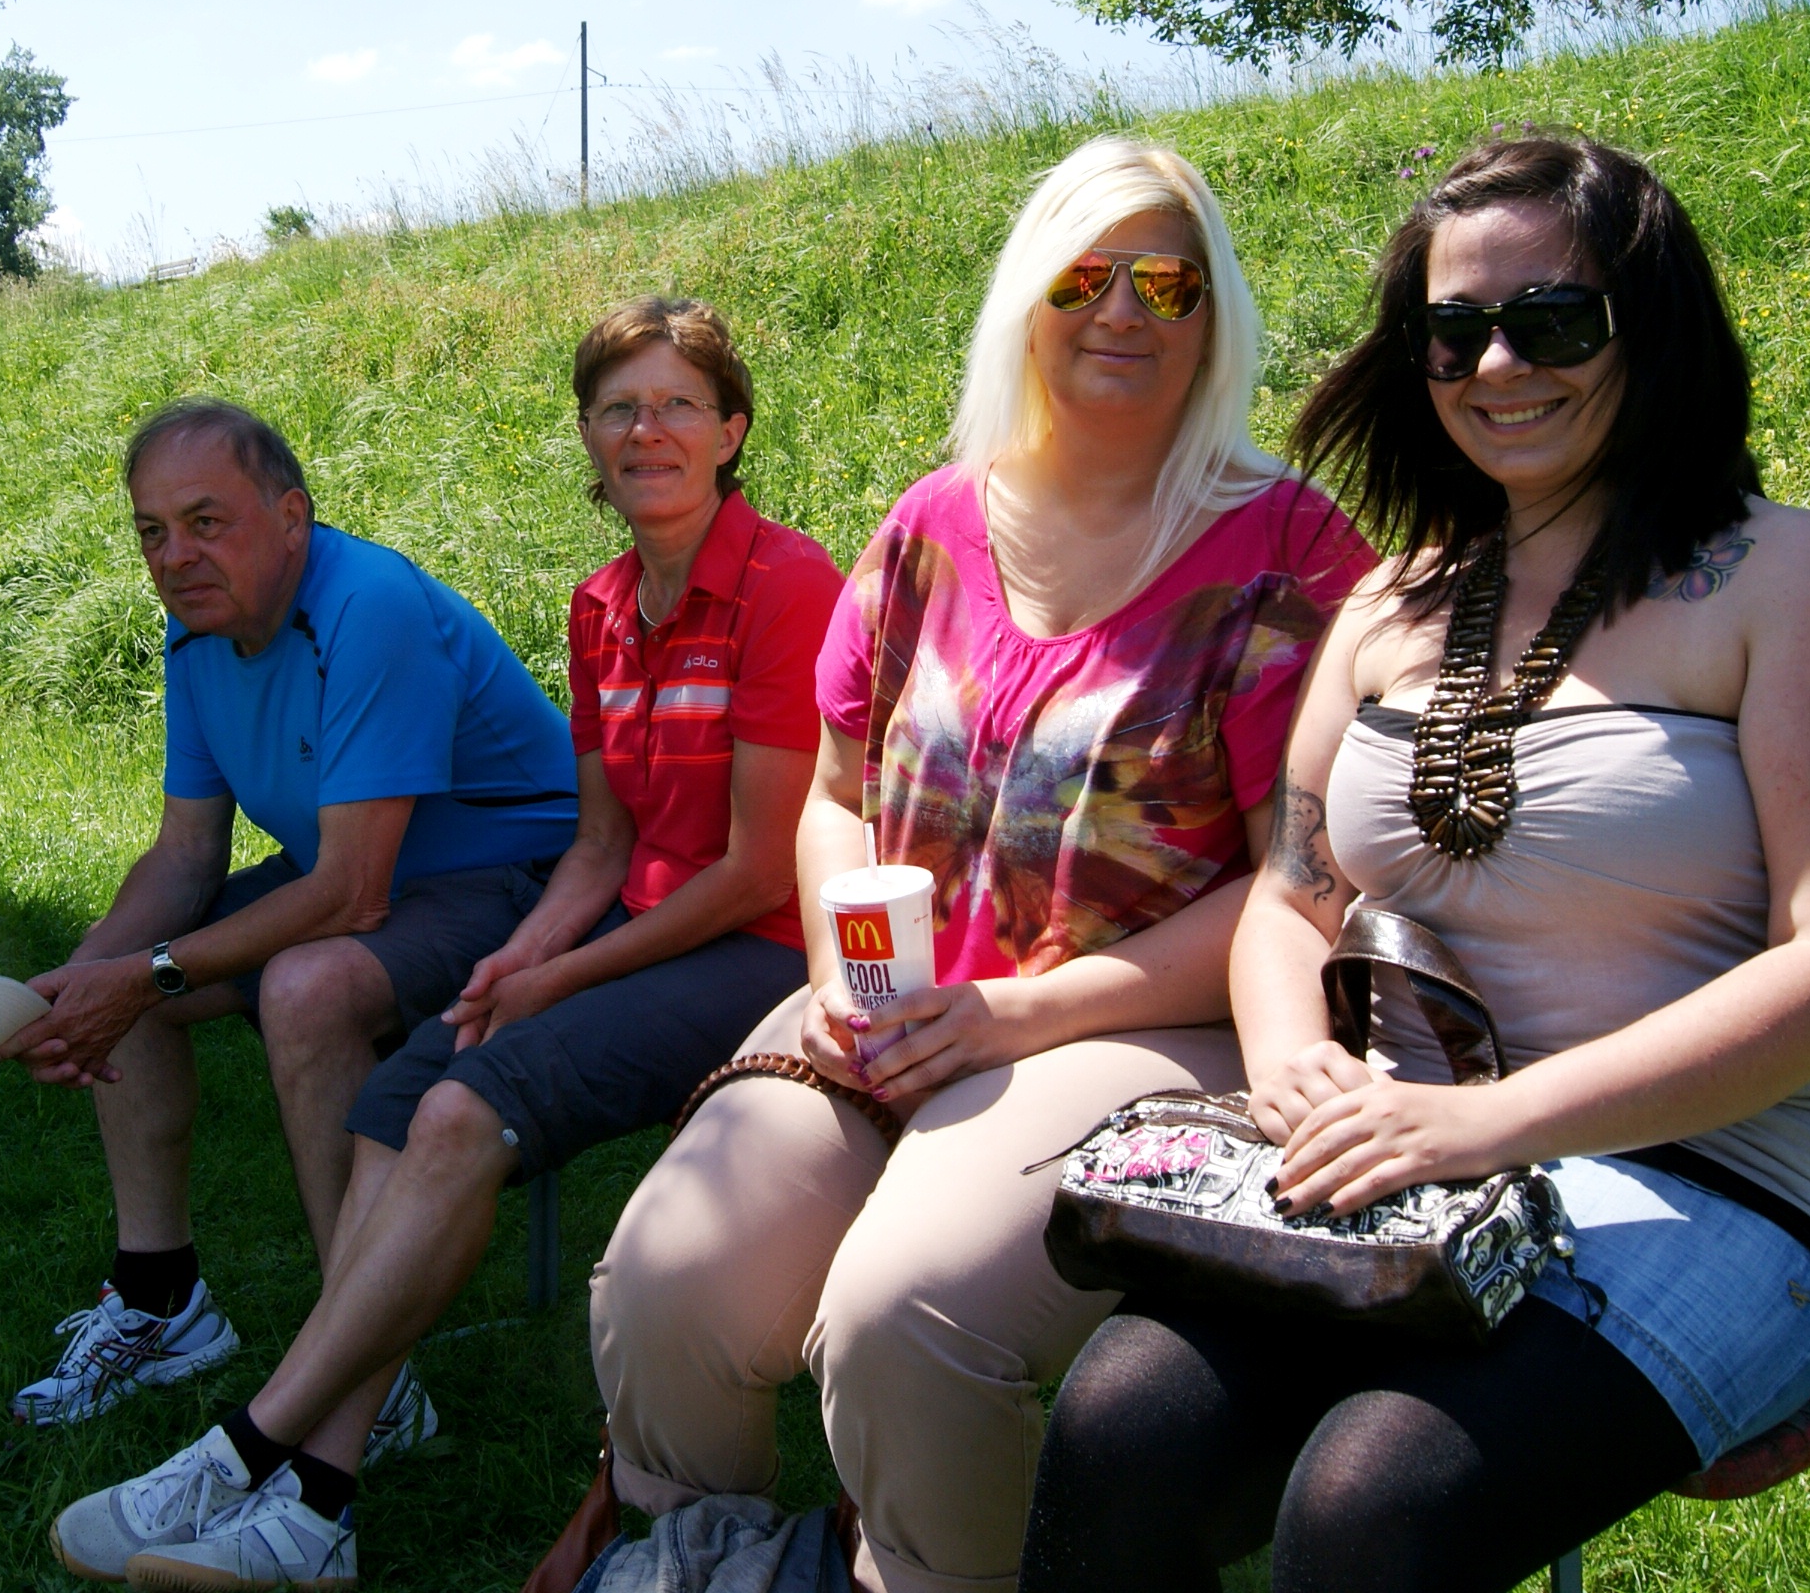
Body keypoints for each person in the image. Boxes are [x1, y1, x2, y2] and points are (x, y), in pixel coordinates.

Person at [1017, 135, 1810, 1593]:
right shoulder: (1392, 603)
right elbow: (1293, 894)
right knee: (1123, 1427)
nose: (1497, 364)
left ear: (1653, 330)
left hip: (1717, 1179)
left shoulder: (1797, 584)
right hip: (1406, 1161)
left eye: (1552, 320)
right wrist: (1294, 1065)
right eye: (1454, 332)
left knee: (1376, 1500)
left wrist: (1489, 1123)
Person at [586, 137, 1374, 1593]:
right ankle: (716, 1561)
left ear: (1215, 314)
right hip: (896, 1006)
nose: (1122, 311)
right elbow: (835, 796)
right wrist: (840, 972)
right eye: (1084, 276)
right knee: (664, 1286)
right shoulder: (932, 525)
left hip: (1142, 1021)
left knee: (905, 1317)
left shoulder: (1290, 553)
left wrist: (1020, 1013)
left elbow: (1306, 884)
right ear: (1027, 298)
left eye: (1166, 283)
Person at [52, 299, 844, 1590]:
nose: (645, 431)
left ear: (731, 430)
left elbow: (760, 867)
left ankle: (263, 1452)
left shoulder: (787, 583)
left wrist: (561, 970)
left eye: (677, 406)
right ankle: (319, 1508)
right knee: (399, 1100)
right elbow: (598, 846)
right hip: (630, 926)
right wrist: (518, 958)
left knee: (466, 1110)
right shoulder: (602, 606)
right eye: (617, 408)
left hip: (760, 948)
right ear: (587, 438)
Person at [0, 401, 582, 1433]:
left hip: (515, 880)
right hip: (359, 869)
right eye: (151, 531)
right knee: (122, 973)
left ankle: (366, 1374)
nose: (175, 556)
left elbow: (354, 892)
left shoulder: (367, 607)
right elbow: (186, 854)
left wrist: (144, 972)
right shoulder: (200, 627)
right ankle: (160, 1301)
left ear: (291, 517)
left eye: (205, 522)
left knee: (304, 988)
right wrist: (73, 984)